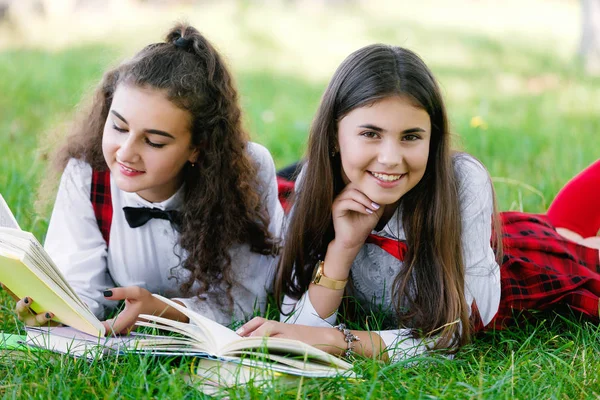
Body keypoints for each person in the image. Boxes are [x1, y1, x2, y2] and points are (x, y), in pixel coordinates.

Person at [238, 44, 600, 362]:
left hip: (518, 261)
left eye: (411, 136)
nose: (391, 158)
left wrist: (341, 340)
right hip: (496, 235)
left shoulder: (461, 183)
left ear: (433, 139)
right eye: (370, 134)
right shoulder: (313, 187)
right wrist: (343, 248)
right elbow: (298, 330)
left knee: (580, 244)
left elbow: (453, 334)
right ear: (334, 136)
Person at [13, 23, 284, 335]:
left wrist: (170, 312)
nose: (126, 153)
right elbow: (80, 287)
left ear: (197, 147)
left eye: (154, 142)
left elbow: (247, 299)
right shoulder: (88, 173)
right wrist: (58, 312)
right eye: (118, 127)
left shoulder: (245, 173)